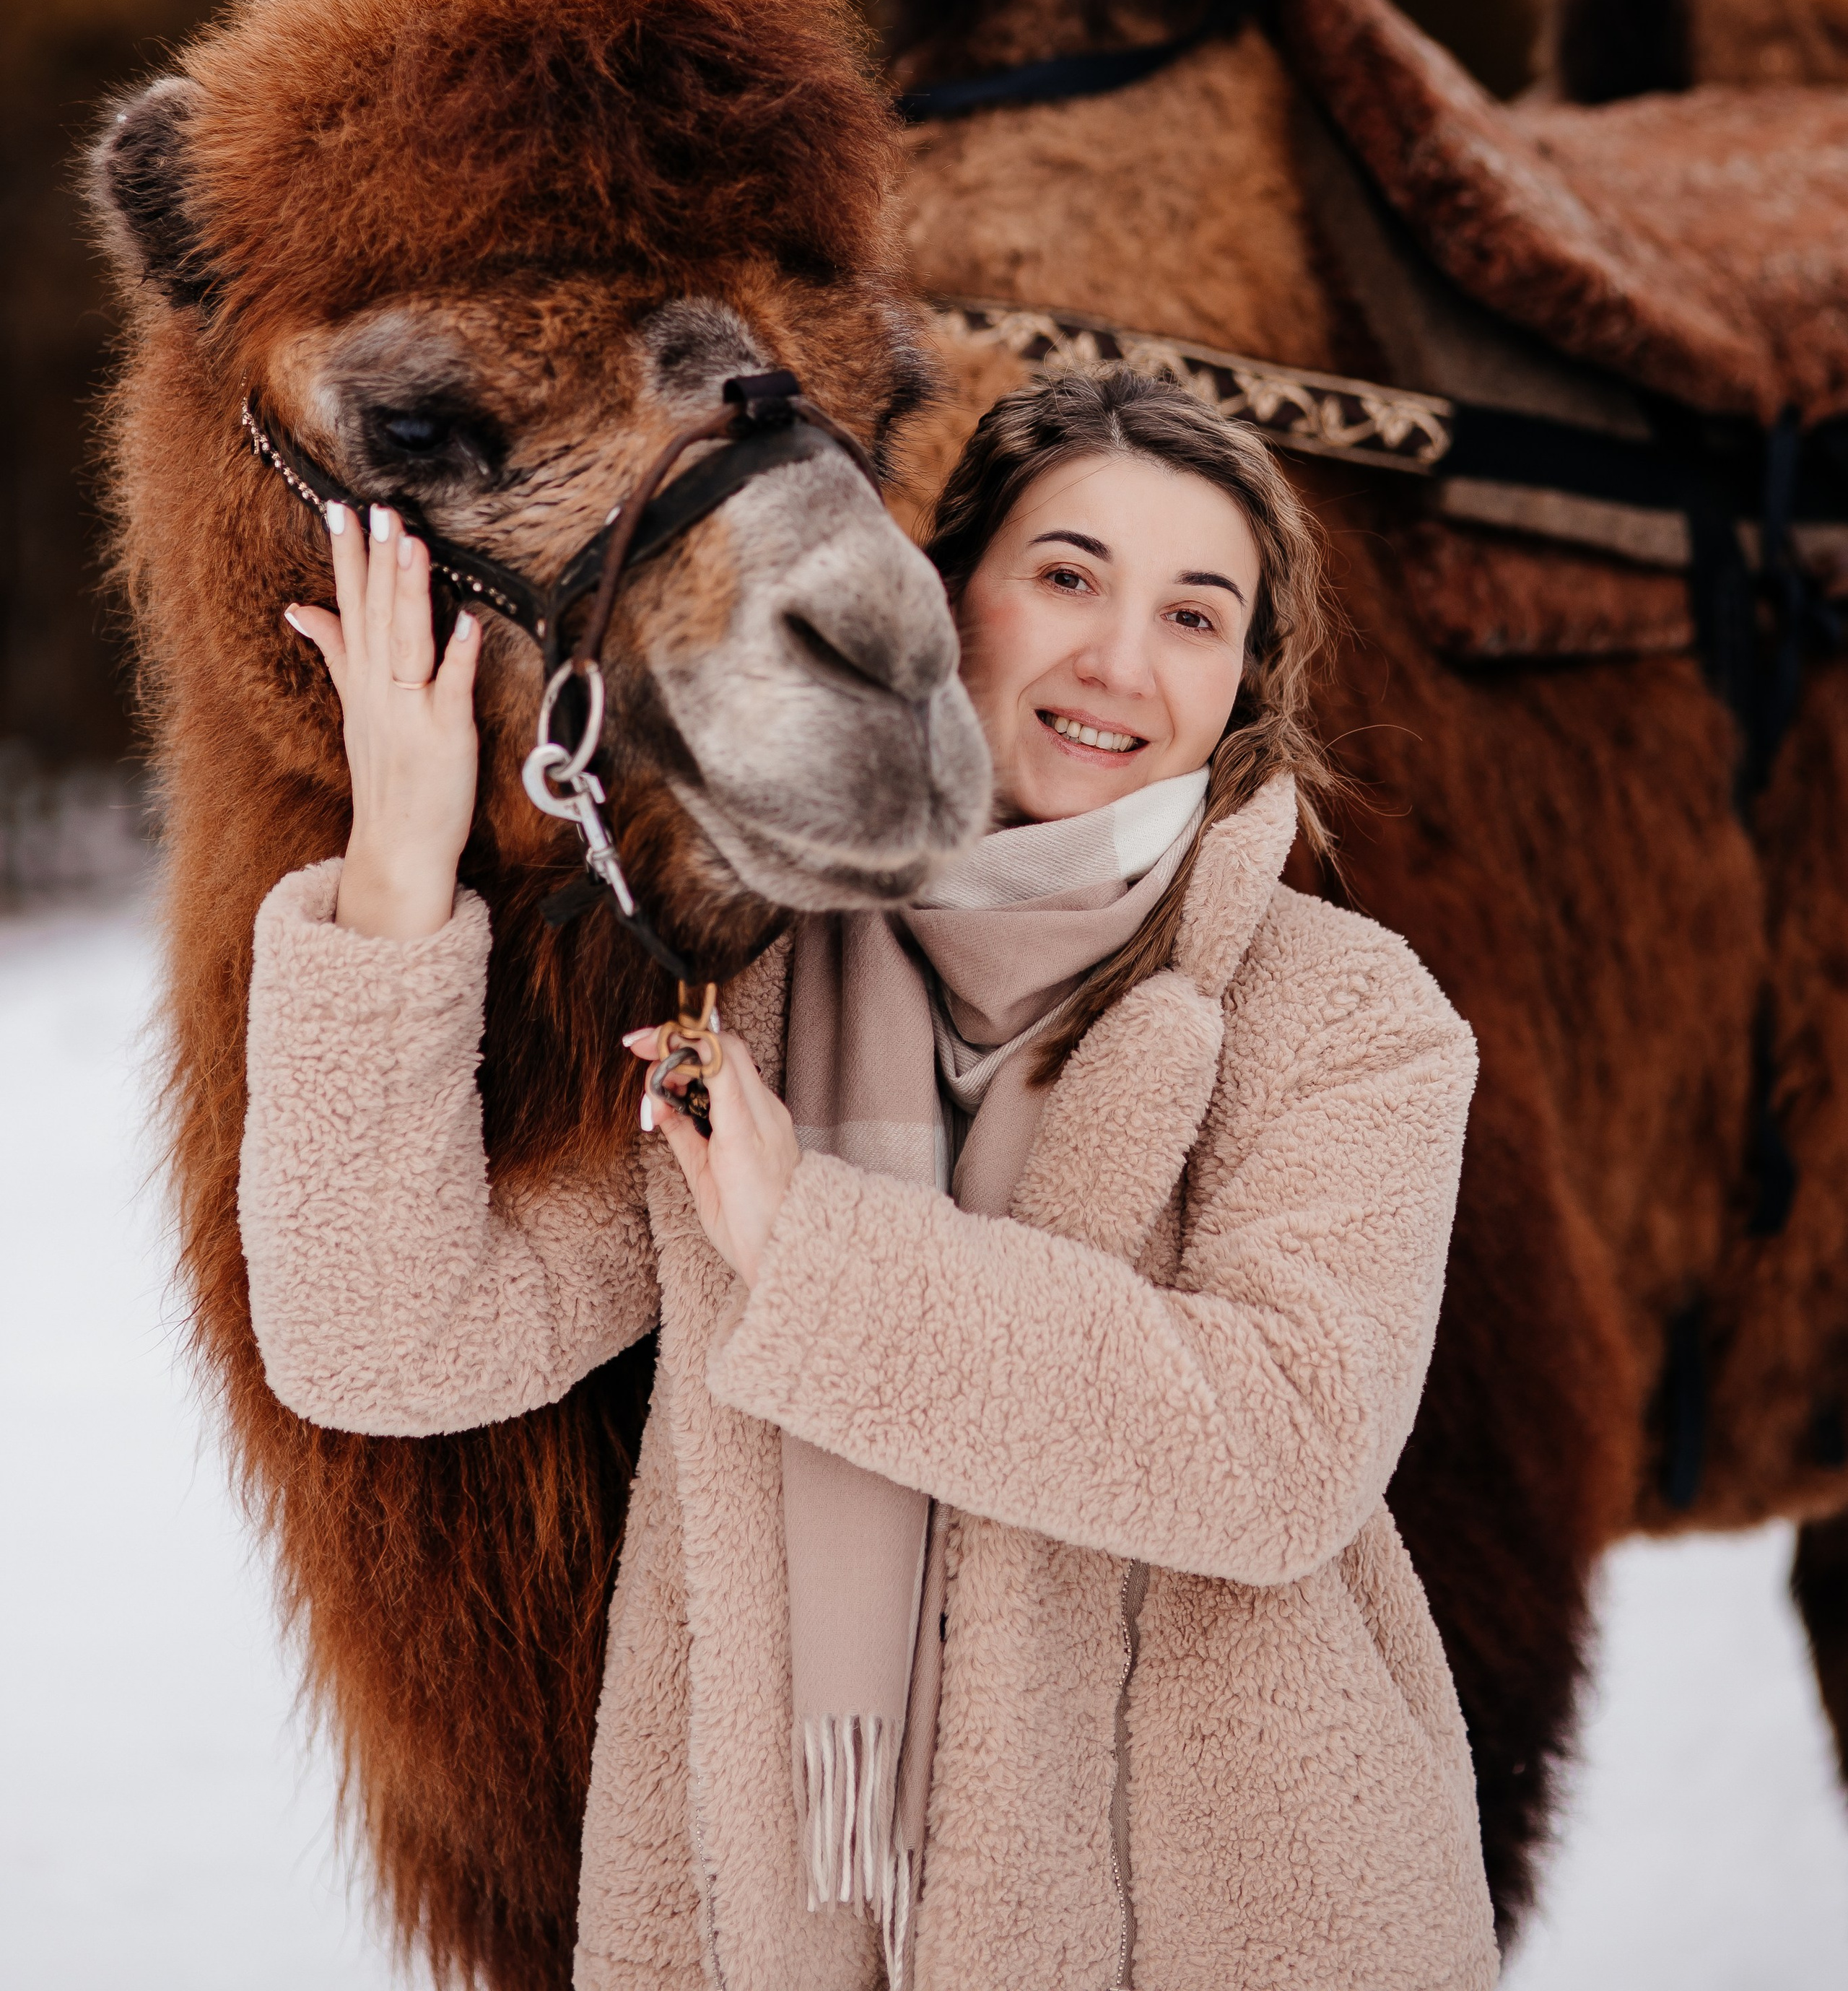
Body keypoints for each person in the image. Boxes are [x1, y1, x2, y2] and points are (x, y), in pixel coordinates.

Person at [241, 365, 1497, 1990]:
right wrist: (402, 860)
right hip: (784, 1927)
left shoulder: (1338, 1015)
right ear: (938, 604)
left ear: (1244, 682)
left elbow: (1276, 1456)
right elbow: (387, 1341)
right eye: (1065, 577)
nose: (1118, 661)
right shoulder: (747, 982)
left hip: (1228, 1924)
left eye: (1195, 617)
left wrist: (814, 1254)